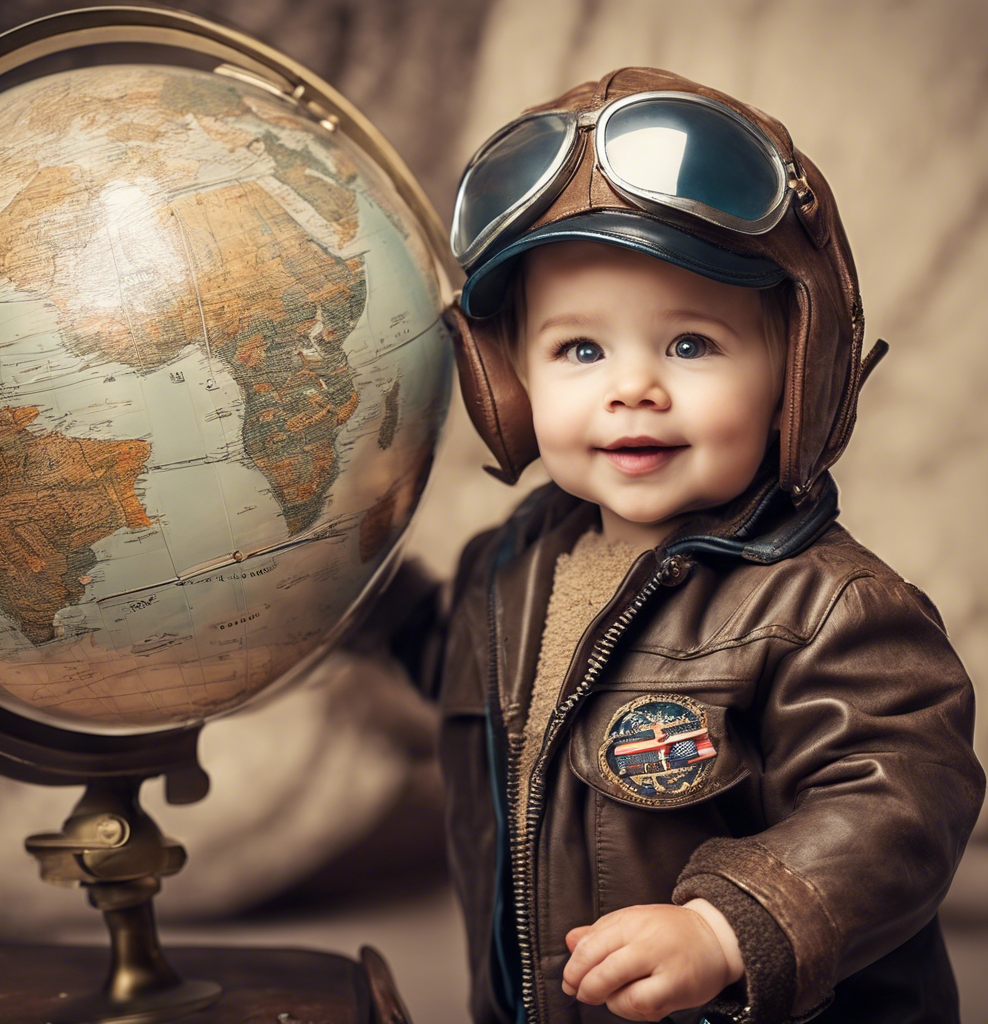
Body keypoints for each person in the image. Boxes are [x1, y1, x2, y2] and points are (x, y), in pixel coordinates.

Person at [411, 67, 984, 1024]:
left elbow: (899, 802)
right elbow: (461, 669)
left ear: (796, 371)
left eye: (690, 344)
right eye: (580, 350)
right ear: (509, 380)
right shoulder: (507, 566)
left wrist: (728, 929)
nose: (633, 387)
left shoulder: (830, 611)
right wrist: (356, 602)